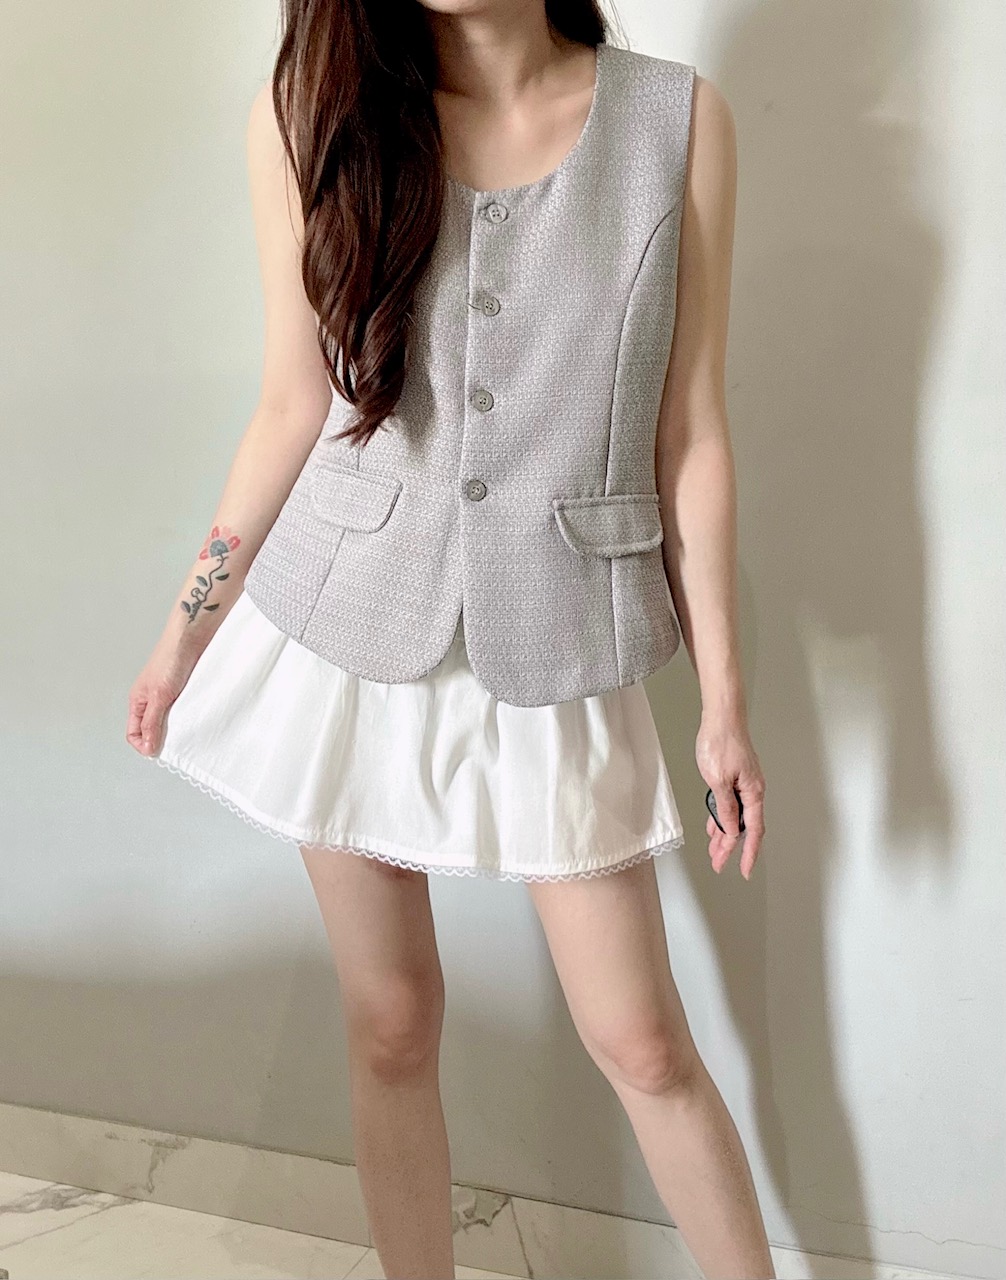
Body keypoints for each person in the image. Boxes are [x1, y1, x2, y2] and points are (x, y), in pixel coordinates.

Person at [126, 2, 771, 1276]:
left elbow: (689, 431)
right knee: (391, 1021)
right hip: (343, 631)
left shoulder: (678, 122)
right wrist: (183, 632)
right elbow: (290, 403)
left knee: (643, 1042)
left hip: (565, 636)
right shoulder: (311, 119)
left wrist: (723, 700)